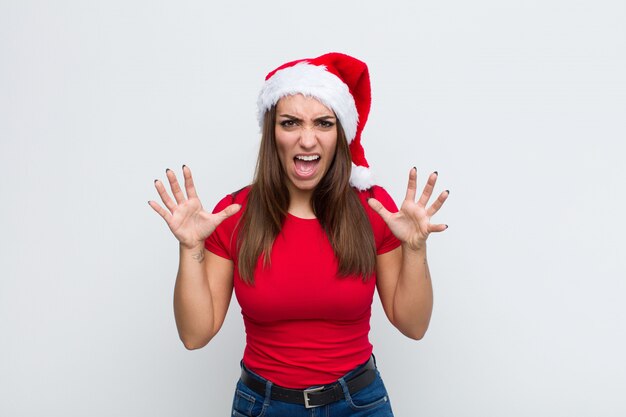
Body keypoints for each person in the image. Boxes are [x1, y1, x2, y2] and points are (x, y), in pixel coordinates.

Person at [149, 52, 449, 417]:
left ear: (340, 135)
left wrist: (415, 249)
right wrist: (190, 248)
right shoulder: (233, 214)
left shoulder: (373, 209)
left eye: (323, 123)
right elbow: (195, 335)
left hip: (359, 405)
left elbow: (413, 325)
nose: (307, 140)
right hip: (265, 406)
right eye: (291, 123)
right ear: (272, 133)